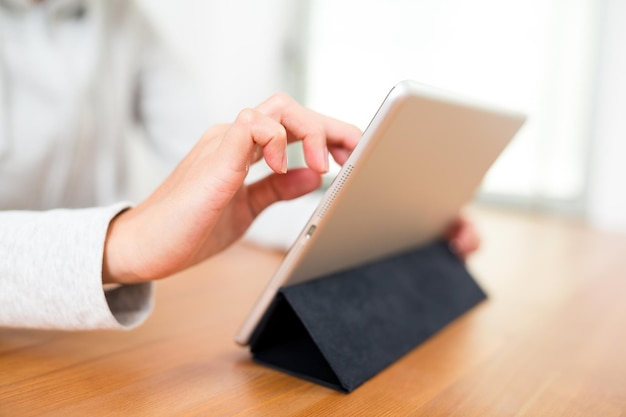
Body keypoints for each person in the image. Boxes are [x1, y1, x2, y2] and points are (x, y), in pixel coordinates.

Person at [0, 0, 479, 330]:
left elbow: (229, 183)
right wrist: (121, 244)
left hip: (97, 329)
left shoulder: (121, 19)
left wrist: (381, 223)